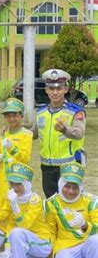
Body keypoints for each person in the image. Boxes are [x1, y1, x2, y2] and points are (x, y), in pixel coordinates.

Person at [0, 162, 52, 258]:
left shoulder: (35, 200)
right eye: (12, 183)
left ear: (27, 184)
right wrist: (7, 247)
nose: (15, 188)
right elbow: (10, 226)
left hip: (41, 243)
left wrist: (15, 207)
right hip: (22, 246)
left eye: (19, 184)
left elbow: (24, 225)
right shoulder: (12, 199)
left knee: (18, 233)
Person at [45, 162, 98, 258]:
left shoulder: (91, 201)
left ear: (81, 187)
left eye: (75, 187)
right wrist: (51, 254)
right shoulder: (51, 203)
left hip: (88, 245)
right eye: (67, 186)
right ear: (61, 184)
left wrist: (85, 225)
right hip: (66, 245)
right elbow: (50, 230)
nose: (70, 191)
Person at [34, 69, 86, 198]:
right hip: (47, 167)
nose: (55, 92)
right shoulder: (41, 112)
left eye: (59, 88)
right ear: (46, 90)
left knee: (70, 200)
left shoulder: (76, 111)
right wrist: (13, 130)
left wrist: (65, 129)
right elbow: (33, 133)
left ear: (66, 89)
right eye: (51, 88)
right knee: (51, 201)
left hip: (68, 166)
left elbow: (79, 133)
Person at [0, 98, 32, 192]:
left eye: (15, 115)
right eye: (8, 116)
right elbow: (0, 153)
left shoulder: (27, 134)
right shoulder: (3, 134)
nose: (12, 119)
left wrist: (12, 149)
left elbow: (25, 158)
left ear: (21, 116)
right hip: (3, 177)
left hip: (19, 178)